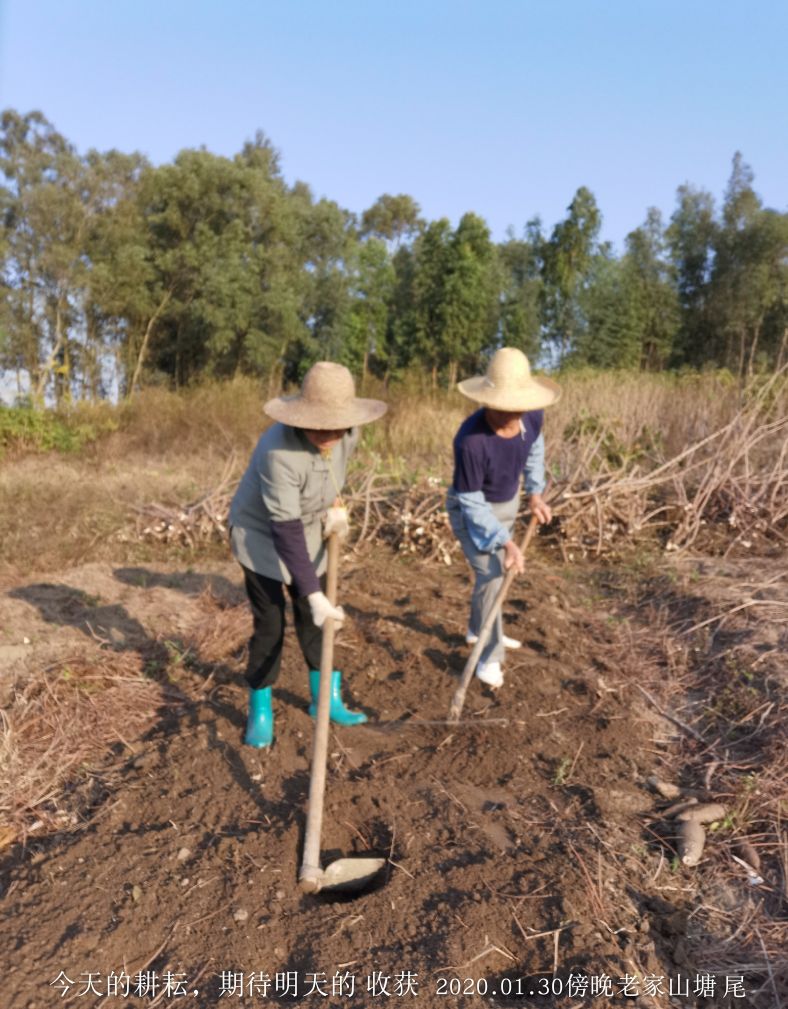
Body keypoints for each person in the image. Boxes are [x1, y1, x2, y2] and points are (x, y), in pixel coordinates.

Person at [229, 361, 387, 748]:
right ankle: (261, 709)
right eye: (319, 424)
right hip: (262, 538)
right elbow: (284, 528)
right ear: (300, 417)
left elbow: (333, 473)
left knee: (316, 622)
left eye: (337, 424)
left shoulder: (346, 435)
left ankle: (325, 700)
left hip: (311, 531)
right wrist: (313, 593)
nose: (329, 433)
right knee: (271, 625)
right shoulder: (277, 451)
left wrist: (334, 510)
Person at [446, 347, 560, 689]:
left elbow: (534, 449)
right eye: (505, 408)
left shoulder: (533, 417)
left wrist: (535, 494)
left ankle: (475, 627)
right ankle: (489, 656)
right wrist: (508, 542)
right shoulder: (471, 441)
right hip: (472, 511)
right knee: (493, 575)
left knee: (490, 580)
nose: (514, 416)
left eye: (518, 407)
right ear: (487, 401)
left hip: (507, 504)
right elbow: (471, 500)